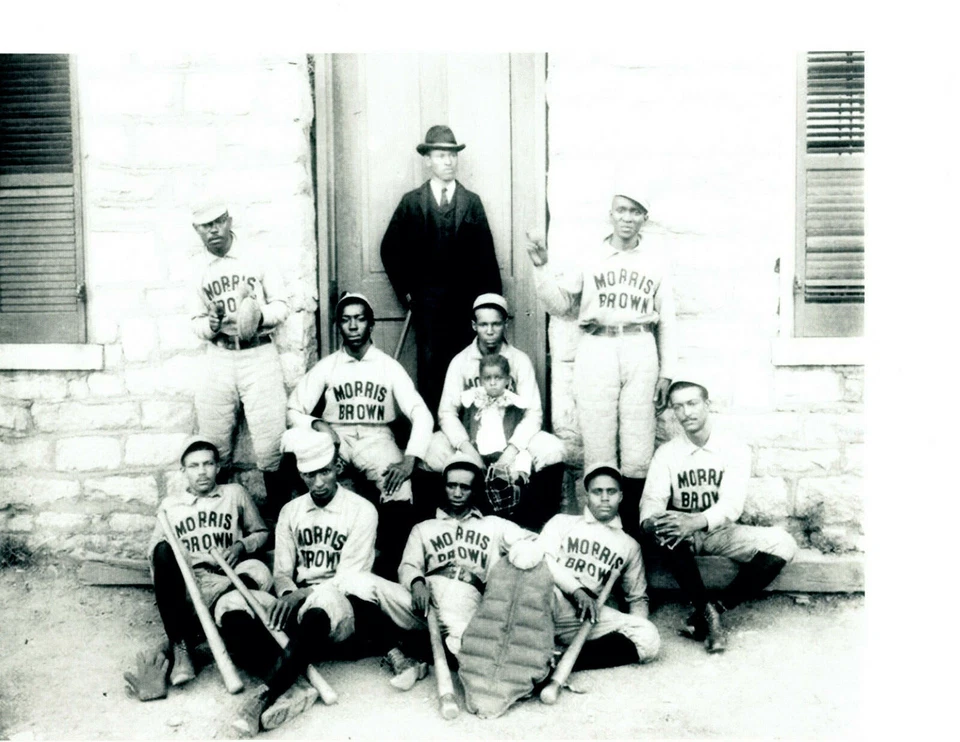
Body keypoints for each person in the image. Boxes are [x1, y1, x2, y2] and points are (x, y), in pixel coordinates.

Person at [230, 427, 425, 736]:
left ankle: (266, 694)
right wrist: (288, 594)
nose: (319, 482)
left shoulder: (362, 510)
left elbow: (350, 577)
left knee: (323, 602)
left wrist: (301, 595)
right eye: (310, 475)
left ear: (337, 467)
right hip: (301, 601)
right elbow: (282, 571)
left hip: (344, 604)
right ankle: (296, 681)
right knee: (234, 608)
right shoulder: (291, 511)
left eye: (325, 472)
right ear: (301, 474)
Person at [526, 188, 676, 541]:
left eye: (635, 212)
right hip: (597, 347)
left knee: (639, 449)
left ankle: (634, 539)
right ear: (611, 213)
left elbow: (668, 320)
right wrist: (541, 267)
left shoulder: (655, 262)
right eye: (621, 210)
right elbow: (561, 306)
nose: (627, 218)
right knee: (598, 445)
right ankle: (598, 537)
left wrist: (667, 372)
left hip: (640, 344)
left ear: (644, 218)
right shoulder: (591, 256)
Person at [639, 379, 798, 653]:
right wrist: (653, 521)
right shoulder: (667, 453)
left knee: (784, 544)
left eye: (692, 403)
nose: (686, 412)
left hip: (719, 531)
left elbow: (731, 505)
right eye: (678, 407)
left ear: (707, 404)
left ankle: (714, 609)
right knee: (666, 530)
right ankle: (709, 616)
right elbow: (653, 500)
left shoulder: (732, 447)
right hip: (680, 534)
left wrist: (695, 522)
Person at [286, 292, 433, 577]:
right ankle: (318, 563)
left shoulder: (387, 366)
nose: (353, 326)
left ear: (371, 324)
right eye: (346, 320)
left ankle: (391, 567)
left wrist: (410, 459)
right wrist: (318, 425)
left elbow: (421, 413)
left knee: (399, 486)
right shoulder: (328, 365)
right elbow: (293, 409)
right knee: (309, 468)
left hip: (376, 436)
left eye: (360, 319)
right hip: (336, 435)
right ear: (339, 325)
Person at [380, 125, 502, 413]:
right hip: (429, 309)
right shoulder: (412, 202)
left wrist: (490, 306)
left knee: (467, 373)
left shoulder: (471, 203)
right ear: (427, 160)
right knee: (431, 373)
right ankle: (434, 435)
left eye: (452, 155)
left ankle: (466, 433)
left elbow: (487, 257)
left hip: (465, 307)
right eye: (440, 155)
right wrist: (408, 293)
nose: (448, 161)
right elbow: (389, 249)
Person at [188, 196, 293, 524]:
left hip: (258, 352)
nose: (213, 230)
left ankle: (279, 527)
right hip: (219, 356)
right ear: (197, 230)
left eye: (218, 222)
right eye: (205, 226)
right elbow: (194, 321)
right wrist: (210, 325)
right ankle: (218, 524)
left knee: (272, 444)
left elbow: (282, 305)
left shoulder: (256, 254)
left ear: (229, 221)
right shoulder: (197, 268)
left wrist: (259, 316)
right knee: (213, 444)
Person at [141, 436, 272, 696]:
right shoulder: (170, 505)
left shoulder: (234, 494)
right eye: (194, 466)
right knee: (164, 550)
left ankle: (195, 632)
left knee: (259, 571)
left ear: (217, 466)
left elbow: (261, 532)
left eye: (208, 464)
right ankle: (181, 647)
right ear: (183, 470)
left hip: (229, 578)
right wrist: (181, 562)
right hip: (193, 582)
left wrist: (241, 546)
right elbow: (155, 554)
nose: (202, 471)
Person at [425, 293, 565, 530]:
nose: (489, 331)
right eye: (483, 324)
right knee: (430, 449)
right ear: (474, 325)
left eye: (496, 324)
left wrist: (510, 453)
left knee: (554, 448)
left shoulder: (519, 360)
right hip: (472, 438)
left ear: (505, 324)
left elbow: (534, 414)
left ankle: (537, 523)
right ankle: (444, 523)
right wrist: (467, 449)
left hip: (511, 438)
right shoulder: (461, 361)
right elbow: (446, 413)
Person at [538, 463, 661, 670]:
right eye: (597, 492)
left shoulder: (629, 545)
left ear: (620, 496)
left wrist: (632, 628)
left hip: (584, 616)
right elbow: (542, 559)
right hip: (550, 599)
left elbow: (637, 598)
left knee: (648, 636)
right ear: (587, 495)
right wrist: (577, 590)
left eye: (611, 492)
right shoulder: (562, 522)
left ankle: (560, 662)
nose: (605, 498)